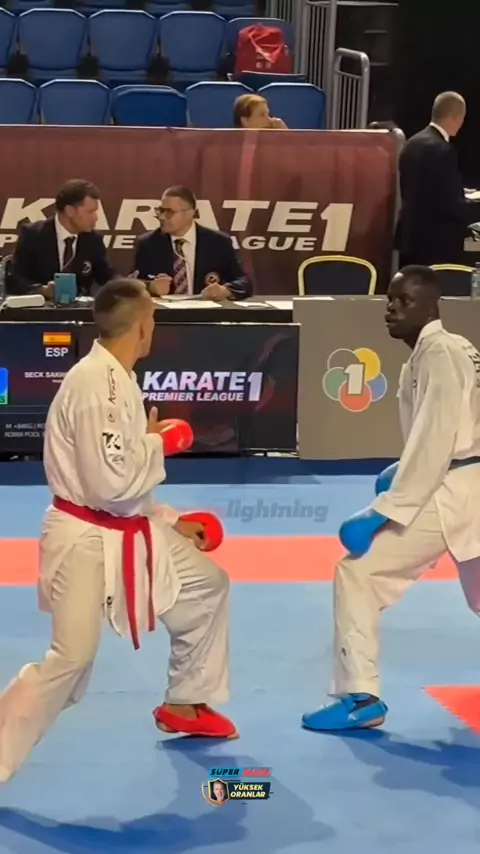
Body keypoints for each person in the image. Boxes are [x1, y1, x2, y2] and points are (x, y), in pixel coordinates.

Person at [0, 279, 236, 782]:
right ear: (143, 326)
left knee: (206, 585)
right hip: (85, 537)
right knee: (71, 662)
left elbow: (122, 486)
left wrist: (172, 520)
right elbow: (109, 486)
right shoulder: (97, 388)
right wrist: (159, 443)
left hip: (125, 525)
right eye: (153, 318)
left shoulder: (118, 376)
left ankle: (186, 701)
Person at [302, 265, 480, 732]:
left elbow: (437, 439)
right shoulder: (444, 351)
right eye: (390, 299)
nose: (392, 309)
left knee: (358, 573)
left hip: (456, 489)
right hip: (465, 479)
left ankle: (360, 698)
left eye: (405, 301)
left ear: (432, 306)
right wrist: (402, 470)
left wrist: (385, 509)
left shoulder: (440, 353)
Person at [133, 186, 252, 301]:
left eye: (169, 211)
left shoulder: (218, 242)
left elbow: (244, 281)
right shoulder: (148, 243)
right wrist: (151, 286)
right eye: (160, 211)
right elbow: (131, 283)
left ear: (191, 213)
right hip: (164, 313)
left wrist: (225, 290)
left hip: (206, 312)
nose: (162, 217)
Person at [395, 92, 469, 267]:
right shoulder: (443, 150)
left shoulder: (411, 143)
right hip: (436, 243)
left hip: (409, 238)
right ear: (456, 117)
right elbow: (449, 202)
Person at [8, 179, 116, 298]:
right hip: (39, 308)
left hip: (79, 308)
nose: (95, 217)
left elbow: (107, 276)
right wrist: (42, 290)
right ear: (70, 211)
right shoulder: (33, 235)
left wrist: (127, 285)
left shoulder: (93, 239)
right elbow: (14, 278)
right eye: (90, 212)